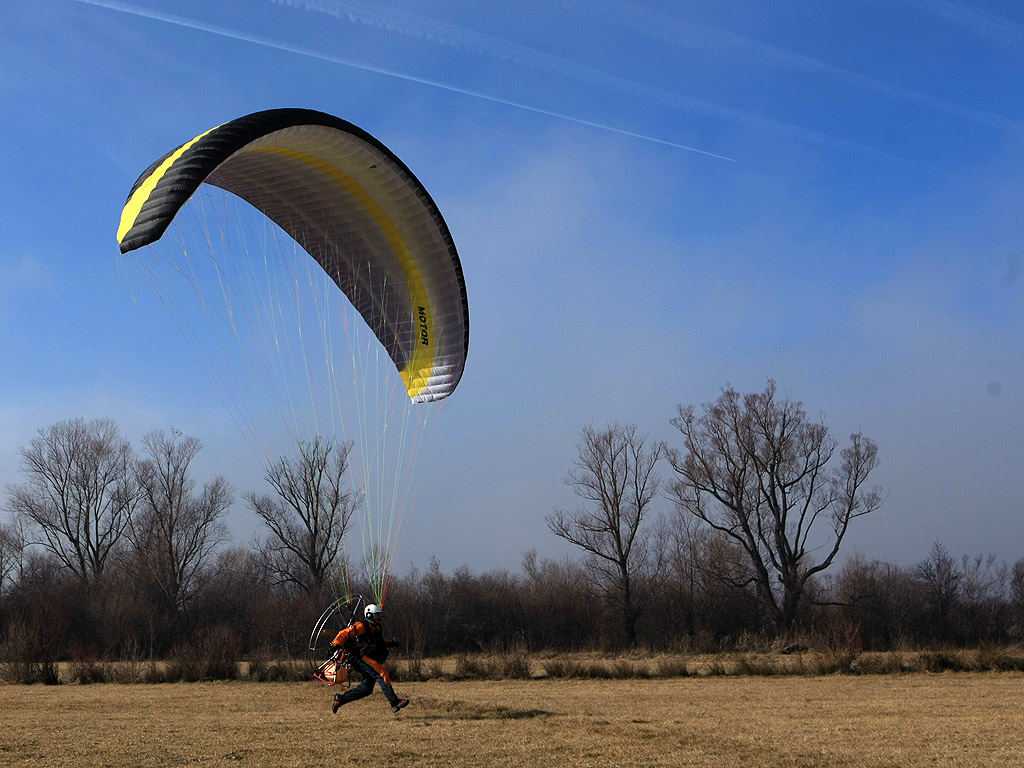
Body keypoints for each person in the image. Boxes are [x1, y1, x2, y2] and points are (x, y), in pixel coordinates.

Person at [330, 603, 409, 714]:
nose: (380, 617)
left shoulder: (376, 627)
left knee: (366, 689)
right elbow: (344, 634)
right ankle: (394, 702)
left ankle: (341, 700)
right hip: (360, 657)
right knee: (382, 674)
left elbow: (379, 642)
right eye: (377, 615)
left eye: (379, 615)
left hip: (369, 658)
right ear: (370, 615)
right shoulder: (362, 626)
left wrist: (391, 643)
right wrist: (336, 646)